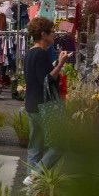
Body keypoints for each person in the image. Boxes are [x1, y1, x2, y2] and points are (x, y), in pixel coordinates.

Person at [22, 17, 68, 186]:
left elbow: (39, 76)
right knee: (60, 144)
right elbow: (46, 80)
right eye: (52, 32)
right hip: (44, 106)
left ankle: (32, 187)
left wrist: (55, 63)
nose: (54, 35)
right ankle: (34, 177)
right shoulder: (41, 53)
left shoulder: (30, 52)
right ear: (43, 34)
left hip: (32, 104)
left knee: (35, 146)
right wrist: (60, 64)